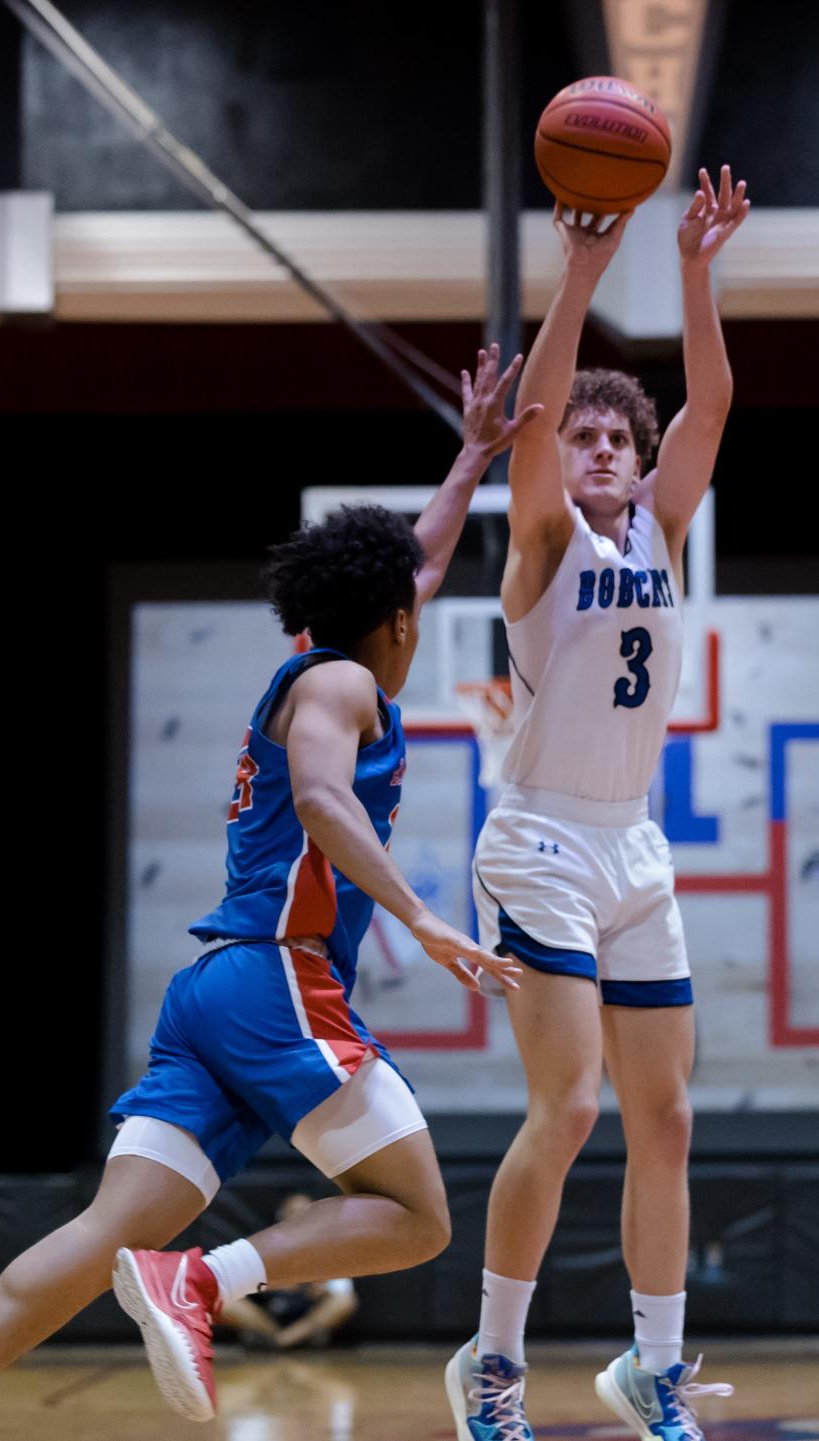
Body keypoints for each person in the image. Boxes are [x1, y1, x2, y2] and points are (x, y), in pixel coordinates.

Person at [0, 344, 539, 1441]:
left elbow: (409, 566)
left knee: (105, 1229)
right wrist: (422, 918)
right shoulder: (342, 680)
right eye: (413, 598)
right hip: (277, 977)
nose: (421, 600)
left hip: (210, 992)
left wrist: (468, 458)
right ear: (400, 623)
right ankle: (206, 1279)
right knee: (419, 1215)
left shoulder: (324, 656)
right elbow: (322, 799)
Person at [445, 166, 749, 1441]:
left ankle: (652, 1368)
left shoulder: (662, 535)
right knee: (569, 1107)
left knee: (663, 1116)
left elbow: (715, 402)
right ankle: (495, 1365)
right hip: (540, 842)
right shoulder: (543, 543)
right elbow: (537, 421)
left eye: (620, 436)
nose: (608, 447)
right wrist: (581, 270)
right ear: (558, 461)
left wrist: (691, 269)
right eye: (586, 437)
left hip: (633, 845)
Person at [217, 1193, 359, 1350]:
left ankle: (287, 1340)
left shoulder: (328, 1247)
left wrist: (321, 1289)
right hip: (267, 1314)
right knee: (223, 1302)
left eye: (305, 1213)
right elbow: (235, 1283)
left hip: (306, 1314)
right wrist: (270, 1285)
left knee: (343, 1302)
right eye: (293, 1213)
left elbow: (343, 1294)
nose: (299, 1218)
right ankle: (275, 1336)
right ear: (282, 1217)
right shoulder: (262, 1244)